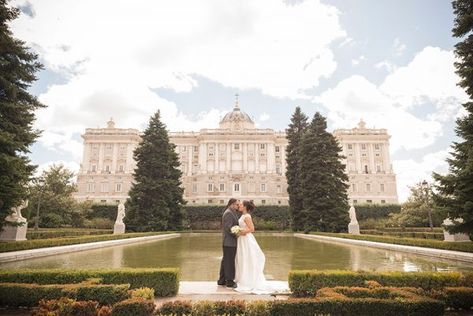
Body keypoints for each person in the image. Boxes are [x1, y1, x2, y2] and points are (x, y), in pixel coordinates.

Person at [234, 200, 288, 294]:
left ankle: (248, 280)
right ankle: (242, 277)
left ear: (245, 207)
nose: (239, 206)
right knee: (242, 258)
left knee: (247, 258)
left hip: (246, 239)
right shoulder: (242, 216)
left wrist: (241, 232)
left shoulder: (247, 216)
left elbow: (252, 229)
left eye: (241, 205)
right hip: (241, 240)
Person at [217, 198, 240, 288]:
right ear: (232, 204)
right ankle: (229, 281)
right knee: (229, 261)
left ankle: (221, 280)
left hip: (229, 242)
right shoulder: (228, 213)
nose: (238, 206)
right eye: (237, 204)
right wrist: (237, 234)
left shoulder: (231, 212)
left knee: (225, 261)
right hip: (229, 242)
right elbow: (229, 228)